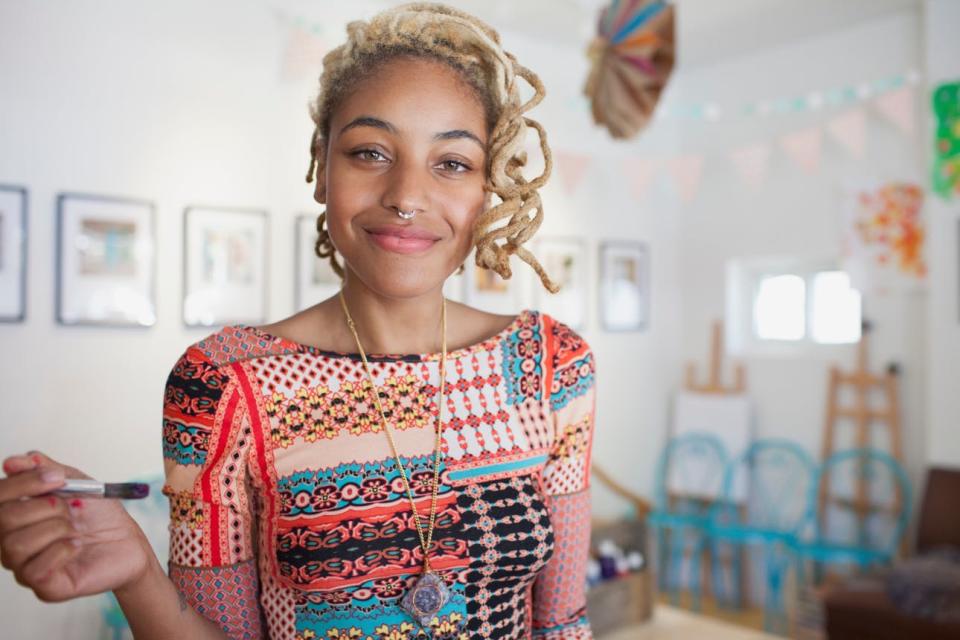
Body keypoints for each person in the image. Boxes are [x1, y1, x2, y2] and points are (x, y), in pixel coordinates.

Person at [0, 3, 597, 638]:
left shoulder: (551, 365)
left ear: (489, 187)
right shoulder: (224, 384)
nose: (406, 195)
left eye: (451, 163)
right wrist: (137, 574)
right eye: (370, 152)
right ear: (322, 165)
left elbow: (562, 624)